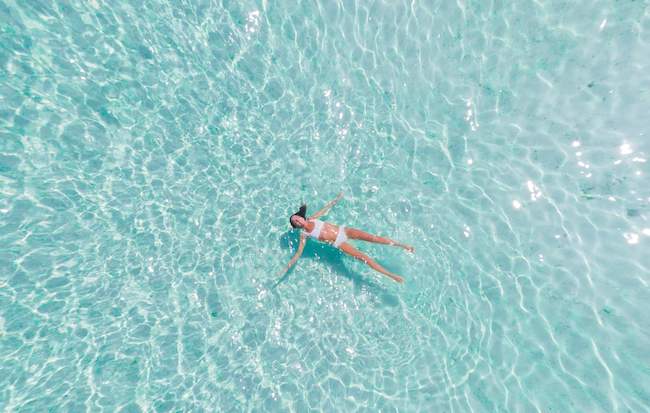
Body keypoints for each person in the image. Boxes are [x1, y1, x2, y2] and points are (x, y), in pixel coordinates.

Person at [279, 192, 414, 283]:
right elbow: (298, 253)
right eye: (295, 222)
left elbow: (325, 209)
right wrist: (288, 266)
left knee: (374, 238)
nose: (298, 221)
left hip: (345, 231)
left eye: (297, 218)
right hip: (339, 243)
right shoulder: (304, 235)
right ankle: (392, 276)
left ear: (301, 216)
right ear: (297, 226)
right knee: (365, 258)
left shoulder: (313, 218)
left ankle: (403, 245)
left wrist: (336, 200)